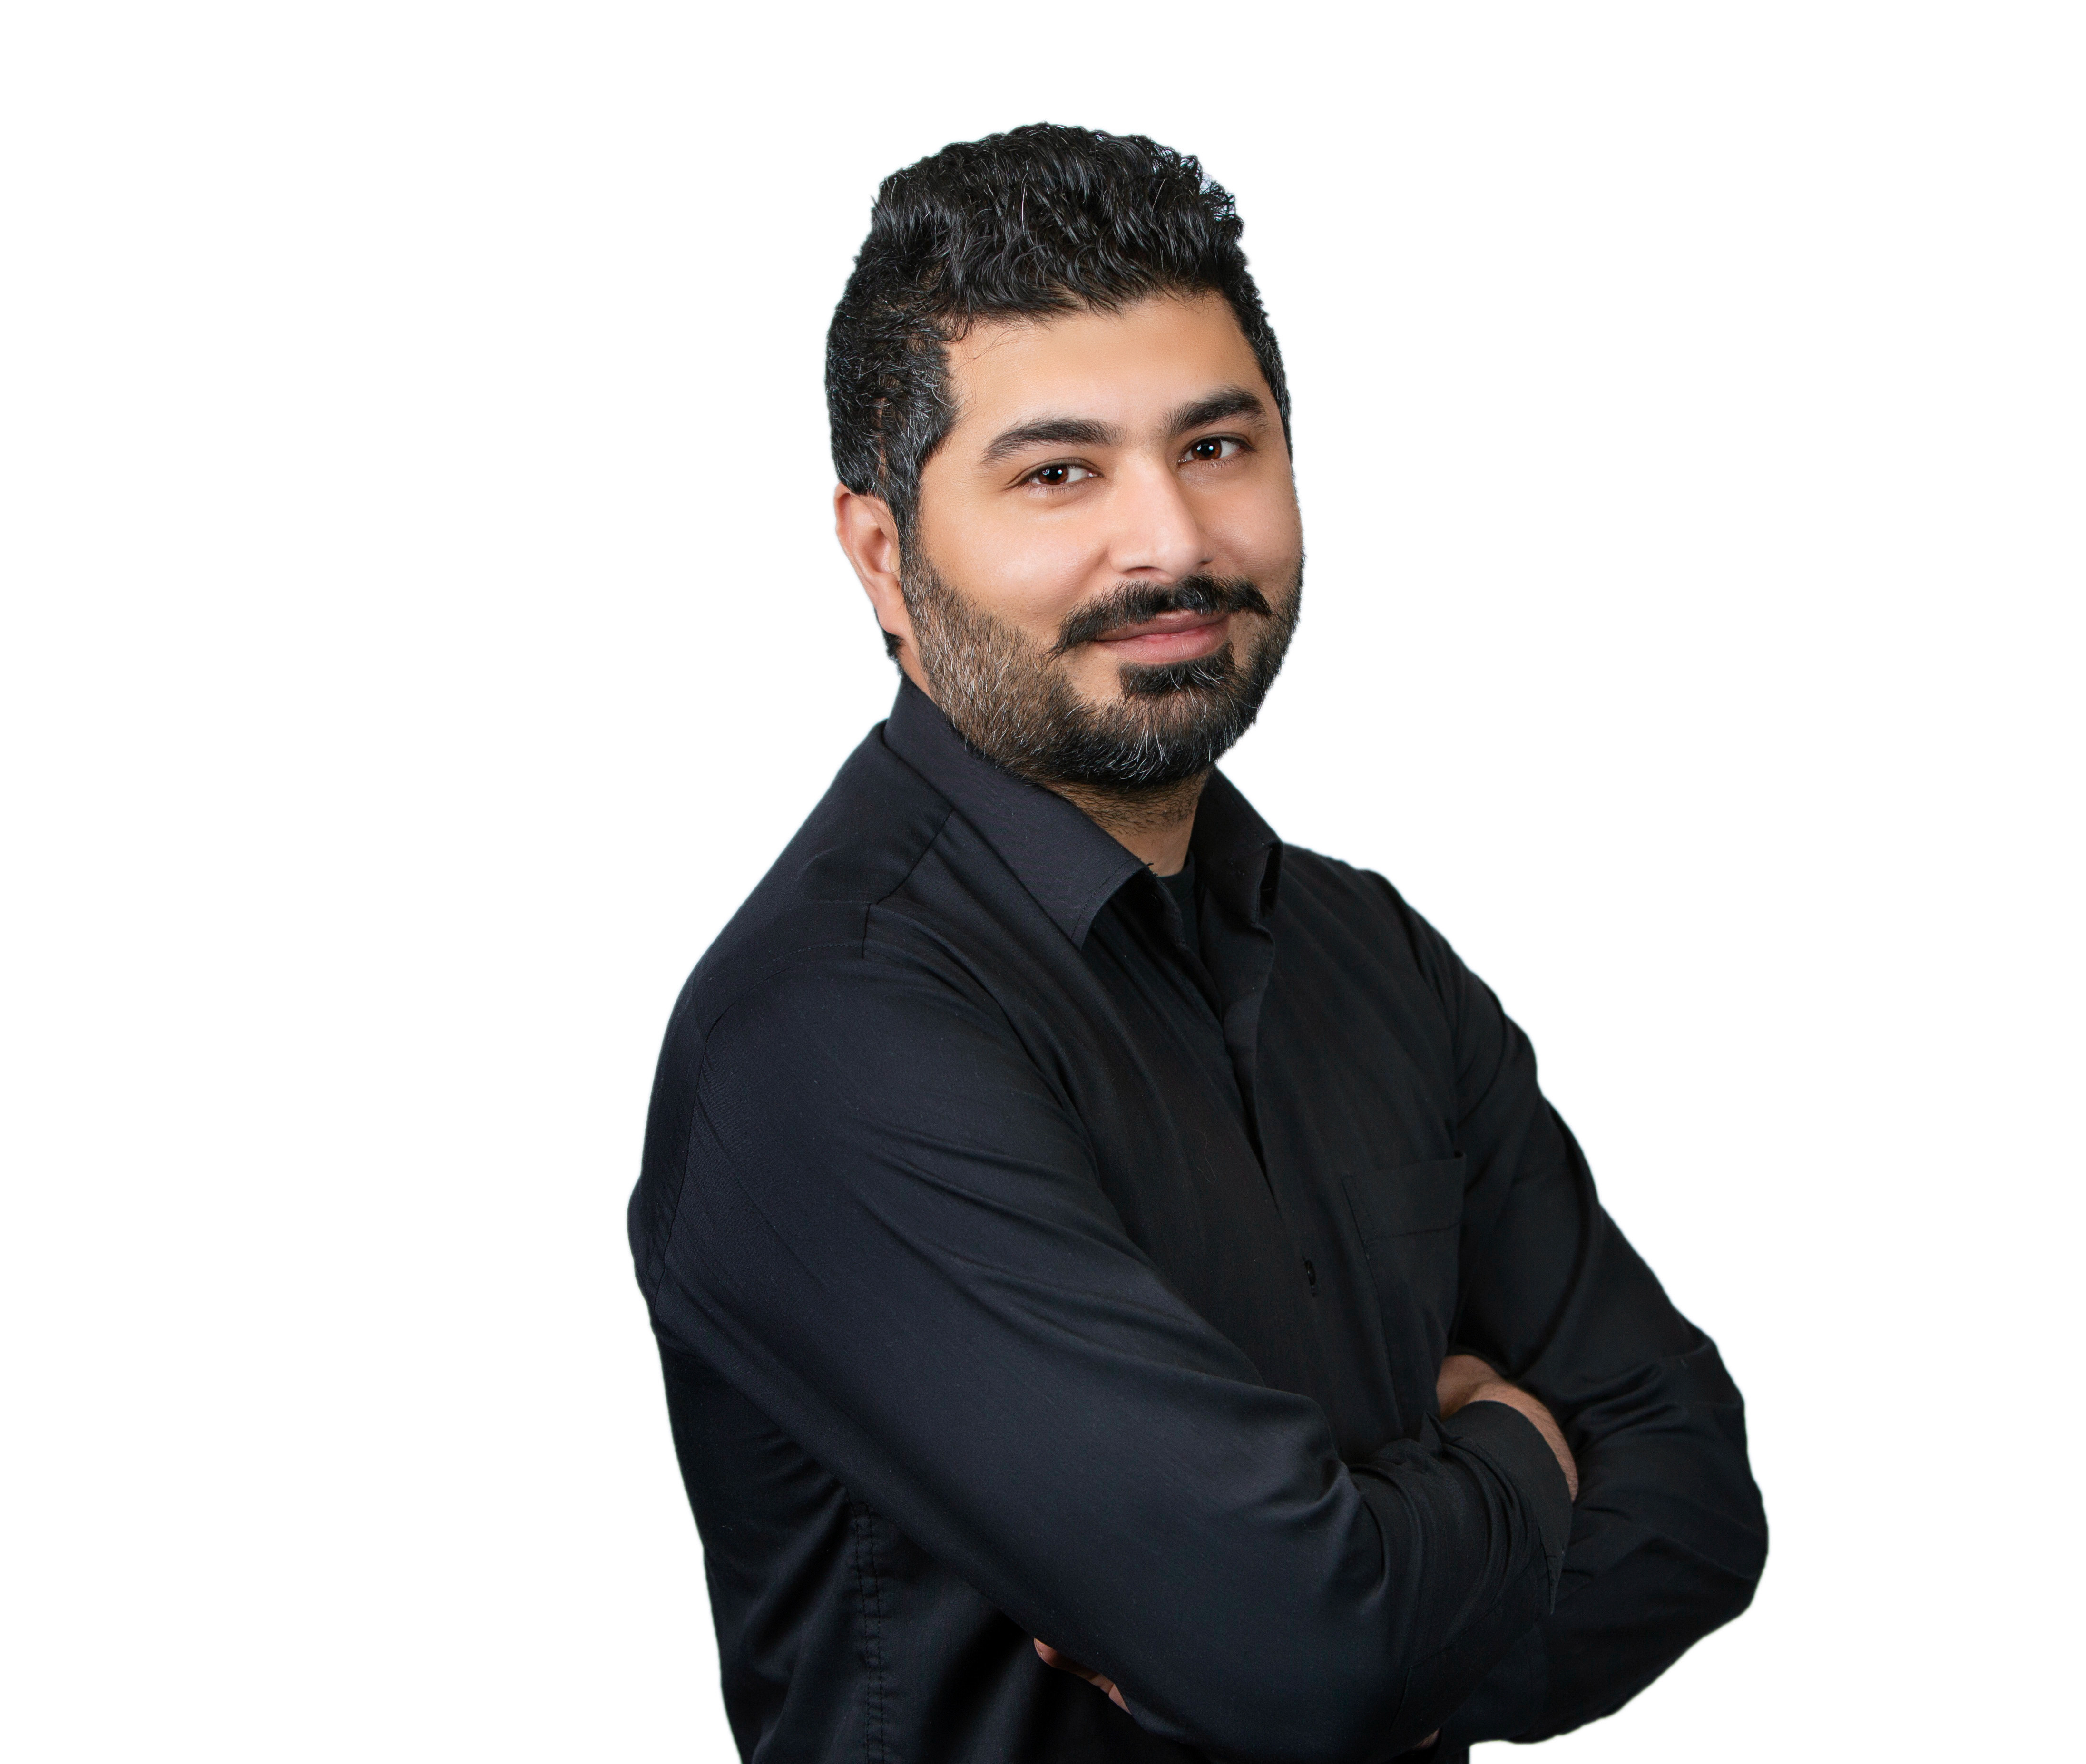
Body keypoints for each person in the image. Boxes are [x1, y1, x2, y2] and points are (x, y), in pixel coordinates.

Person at [629, 124, 1766, 1764]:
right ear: (883, 553)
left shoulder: (1371, 956)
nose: (1168, 544)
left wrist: (1346, 1617)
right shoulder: (829, 1032)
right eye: (1057, 473)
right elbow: (1303, 1642)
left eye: (1217, 446)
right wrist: (1519, 1450)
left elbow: (1695, 1507)